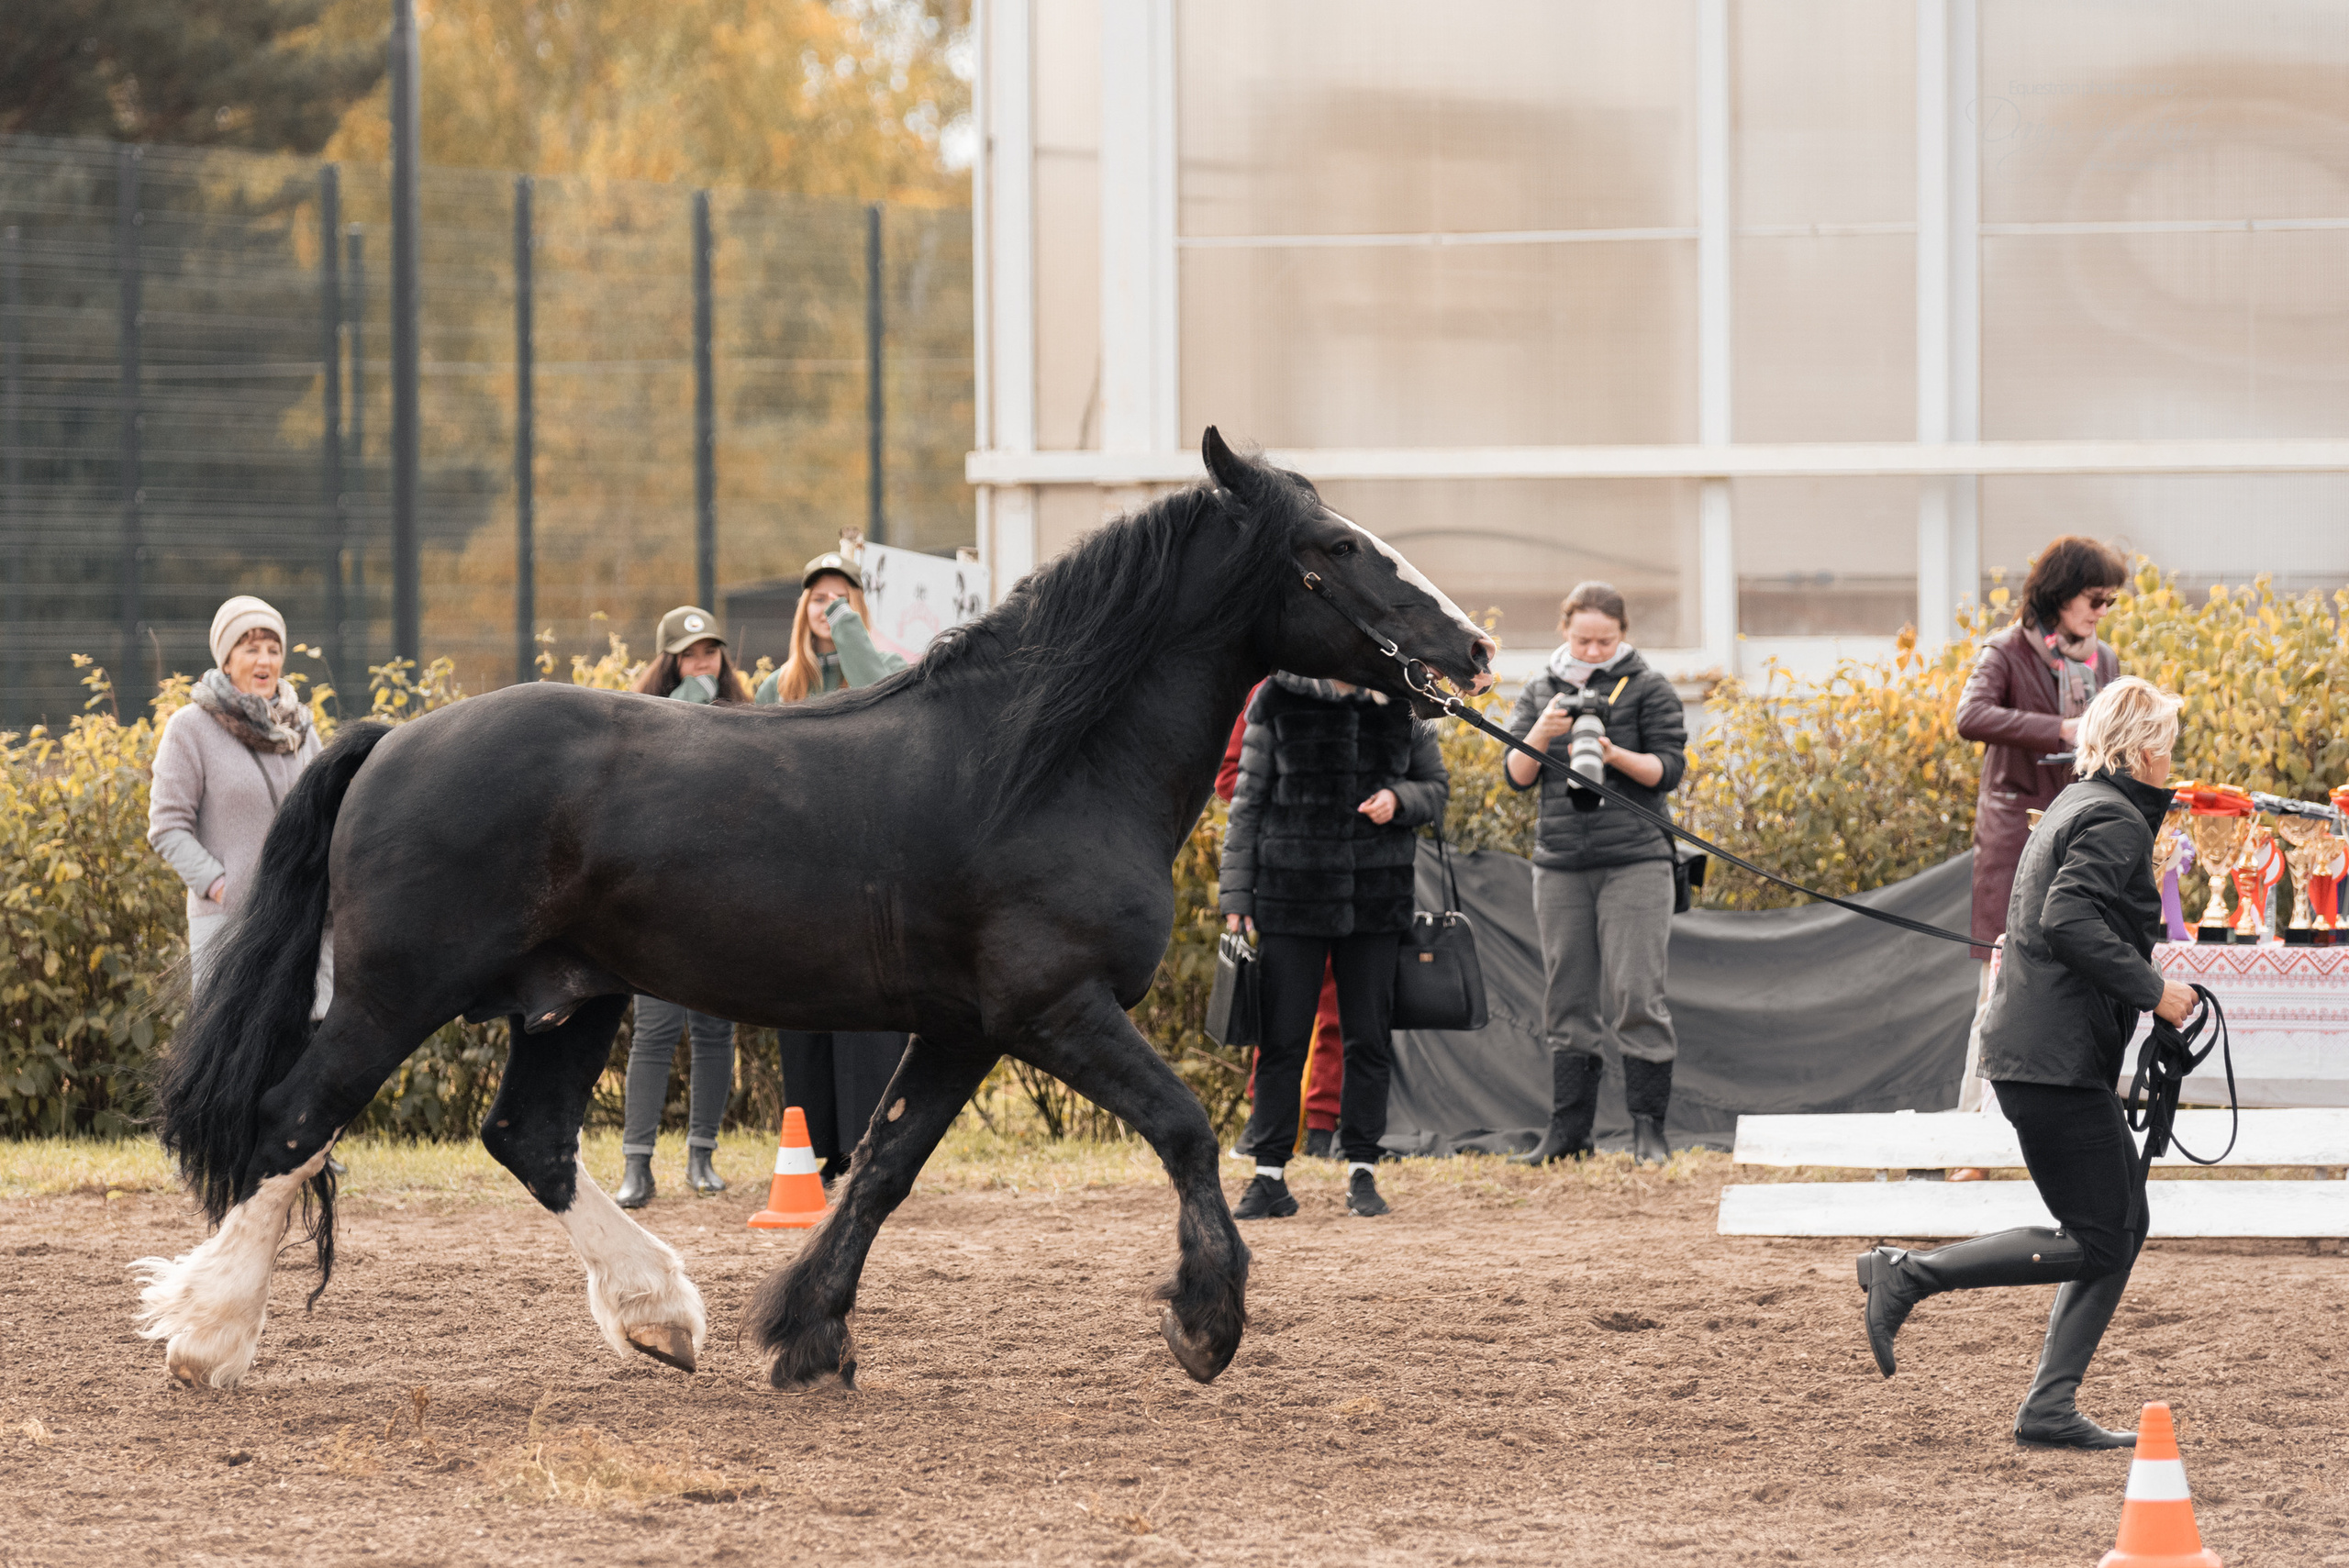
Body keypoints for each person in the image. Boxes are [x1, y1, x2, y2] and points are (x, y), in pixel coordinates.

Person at [1856, 676, 2195, 1449]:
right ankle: (1906, 1274)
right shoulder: (2112, 817)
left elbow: (2056, 920)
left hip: (2041, 1052)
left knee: (2122, 1221)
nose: (2172, 755)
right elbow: (2068, 917)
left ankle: (2049, 1406)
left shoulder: (2078, 804)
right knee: (2101, 1234)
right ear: (2142, 747)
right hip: (2052, 1060)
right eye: (2167, 741)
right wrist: (2156, 992)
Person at [1218, 673, 1450, 1219]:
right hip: (1288, 898)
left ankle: (1362, 1170)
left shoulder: (1402, 704)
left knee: (1368, 1040)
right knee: (1281, 1041)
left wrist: (1400, 798)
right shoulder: (1276, 697)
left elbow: (1435, 789)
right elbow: (1246, 804)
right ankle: (1268, 1176)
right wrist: (1236, 896)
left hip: (1376, 901)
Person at [1501, 582, 1688, 1167]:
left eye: (1604, 640)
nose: (1591, 650)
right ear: (1564, 632)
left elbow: (1667, 770)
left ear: (1623, 635)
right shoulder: (1540, 689)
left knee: (1638, 992)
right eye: (1582, 639)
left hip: (1636, 859)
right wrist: (1543, 734)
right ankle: (1568, 1132)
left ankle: (1647, 1132)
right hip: (1560, 862)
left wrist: (1607, 752)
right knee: (1567, 995)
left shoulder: (1650, 686)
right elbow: (1516, 774)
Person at [1952, 539, 2128, 1123]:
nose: (2102, 611)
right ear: (2059, 593)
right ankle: (1972, 1136)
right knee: (1997, 989)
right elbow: (1969, 716)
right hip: (2014, 837)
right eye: (2095, 598)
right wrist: (2063, 728)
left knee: (2084, 985)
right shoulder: (2003, 651)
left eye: (2108, 602)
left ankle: (2080, 1131)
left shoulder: (2105, 661)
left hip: (2081, 832)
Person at [751, 554, 910, 1182]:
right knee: (808, 1012)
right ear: (800, 611)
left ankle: (871, 1148)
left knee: (869, 1014)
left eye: (839, 597)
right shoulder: (779, 688)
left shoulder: (886, 668)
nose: (826, 606)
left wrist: (849, 630)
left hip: (873, 872)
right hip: (801, 875)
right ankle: (819, 1150)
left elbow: (882, 693)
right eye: (818, 598)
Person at [615, 606, 751, 1207]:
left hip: (720, 898)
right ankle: (636, 1165)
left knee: (715, 1027)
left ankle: (702, 1155)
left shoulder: (746, 720)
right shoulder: (637, 722)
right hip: (659, 901)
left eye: (711, 653)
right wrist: (689, 703)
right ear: (669, 662)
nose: (703, 664)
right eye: (691, 654)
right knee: (656, 1028)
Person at [148, 596, 323, 990]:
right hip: (227, 925)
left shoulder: (302, 730)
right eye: (251, 648)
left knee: (306, 1042)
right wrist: (220, 886)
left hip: (299, 922)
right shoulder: (190, 728)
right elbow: (167, 827)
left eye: (273, 649)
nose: (265, 660)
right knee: (232, 1046)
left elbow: (329, 814)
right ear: (226, 660)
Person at [1217, 686, 1346, 1158]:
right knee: (1278, 1006)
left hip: (1352, 870)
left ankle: (1322, 1128)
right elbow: (1231, 778)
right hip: (1283, 872)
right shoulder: (1264, 693)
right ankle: (1265, 1122)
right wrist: (1295, 804)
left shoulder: (1365, 688)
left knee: (1340, 1007)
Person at [752, 551, 907, 704]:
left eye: (841, 600)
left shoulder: (892, 667)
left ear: (858, 605)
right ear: (804, 609)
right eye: (819, 599)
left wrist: (846, 625)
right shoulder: (776, 686)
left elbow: (881, 708)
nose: (829, 608)